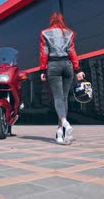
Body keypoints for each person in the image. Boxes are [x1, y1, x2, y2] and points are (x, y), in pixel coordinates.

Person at [39, 12, 85, 144]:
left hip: (53, 65)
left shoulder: (45, 33)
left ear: (51, 21)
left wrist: (42, 69)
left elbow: (44, 52)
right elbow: (72, 52)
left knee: (58, 98)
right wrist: (78, 70)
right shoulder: (68, 33)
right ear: (62, 21)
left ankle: (65, 123)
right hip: (68, 65)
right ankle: (60, 133)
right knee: (64, 99)